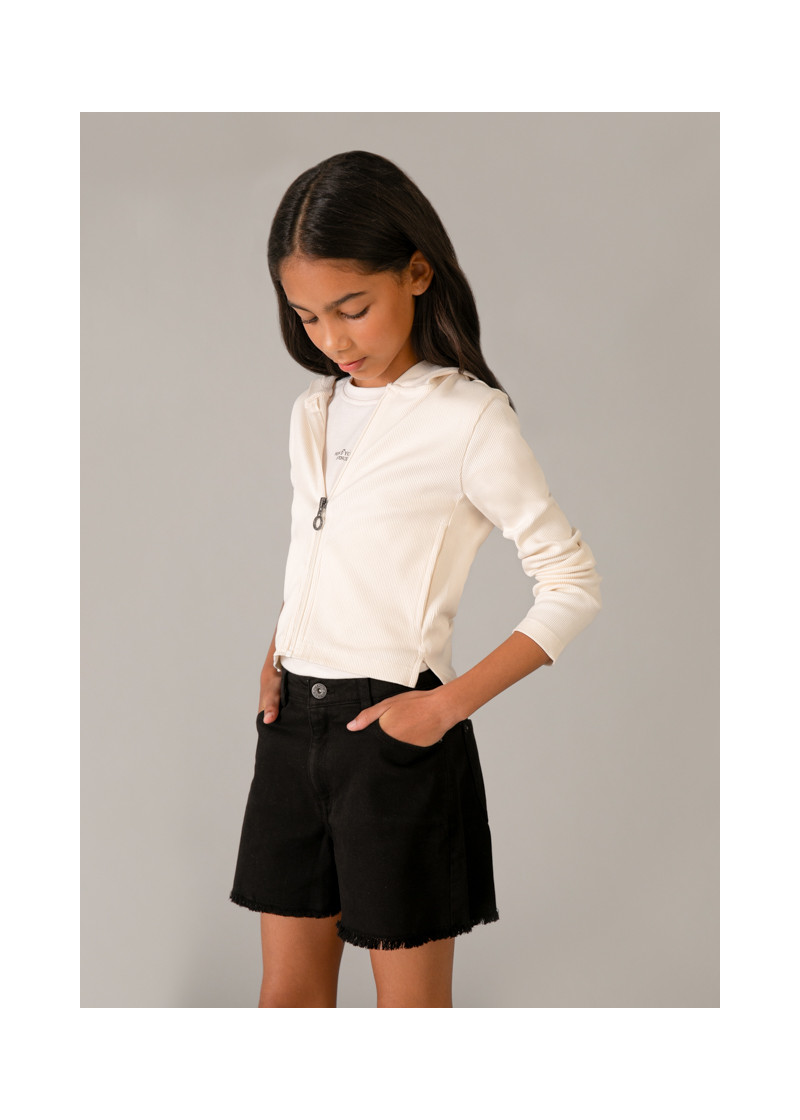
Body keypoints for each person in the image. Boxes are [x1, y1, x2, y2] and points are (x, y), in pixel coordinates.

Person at [229, 150, 603, 1008]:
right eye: (307, 316)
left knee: (411, 1015)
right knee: (286, 998)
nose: (332, 339)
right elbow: (327, 552)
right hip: (290, 729)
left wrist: (444, 707)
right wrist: (279, 647)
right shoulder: (313, 412)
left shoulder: (468, 418)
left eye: (352, 308)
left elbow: (572, 581)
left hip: (393, 732)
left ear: (418, 272)